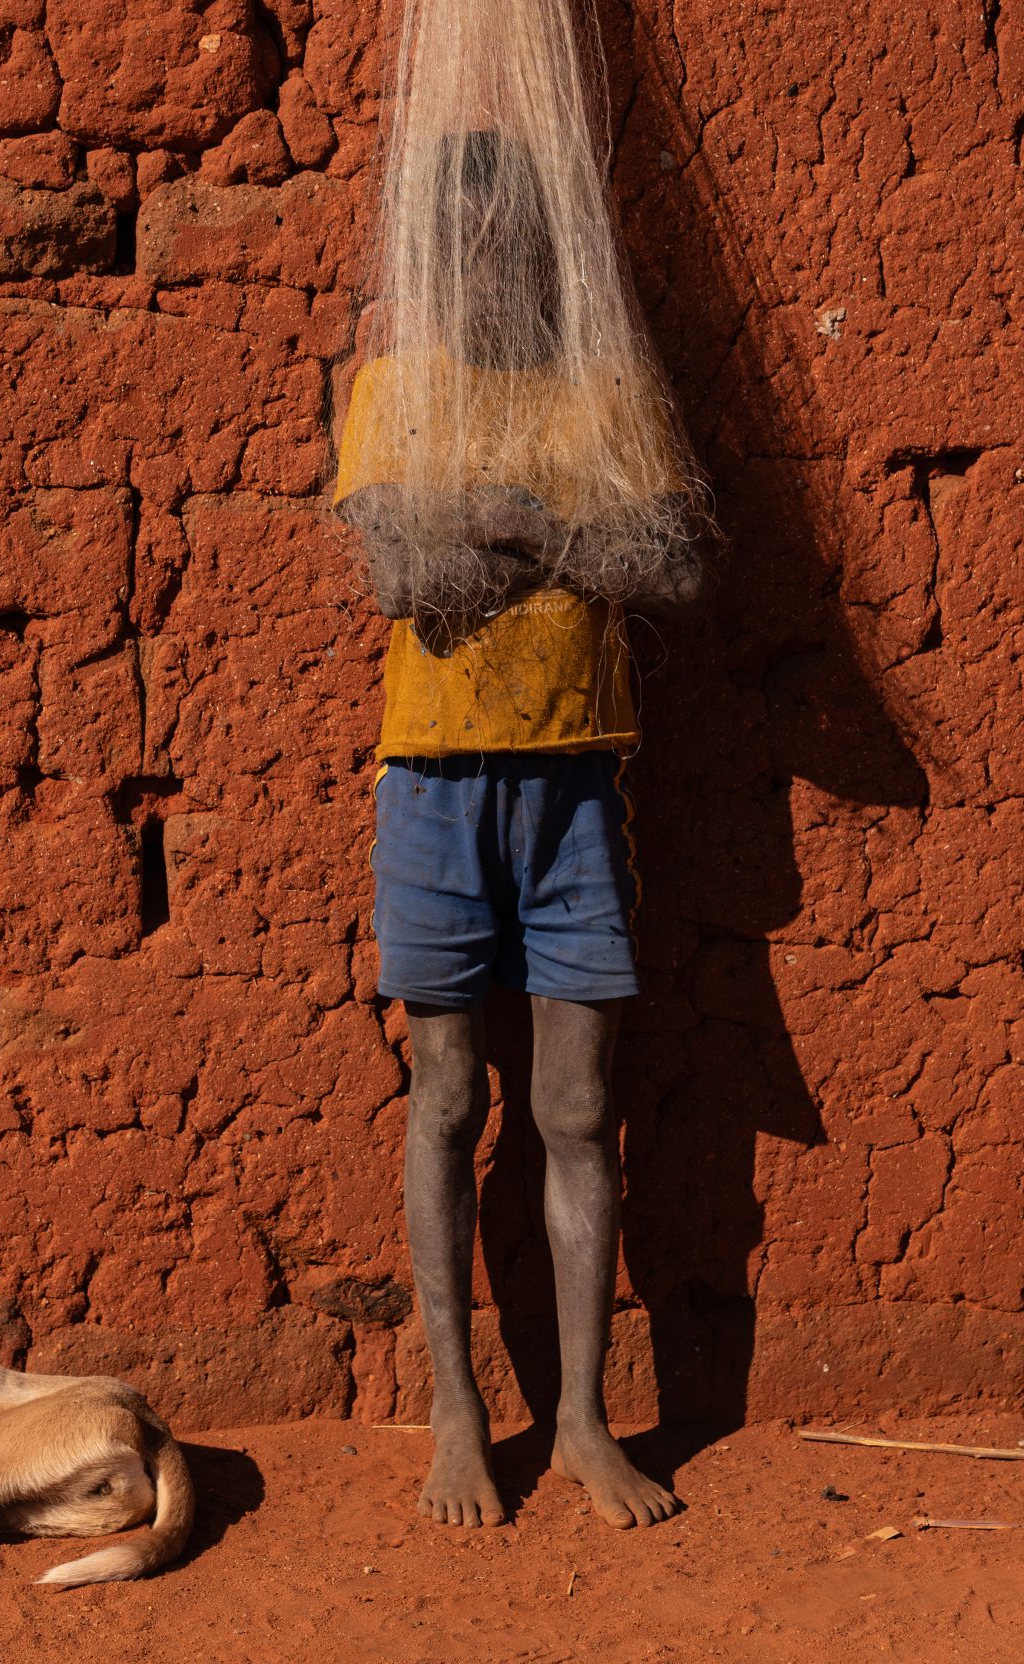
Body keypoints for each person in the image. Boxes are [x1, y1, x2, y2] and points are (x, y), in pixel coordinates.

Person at [334, 130, 699, 1532]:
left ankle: (588, 1423)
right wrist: (564, 536)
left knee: (575, 1112)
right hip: (434, 779)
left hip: (572, 790)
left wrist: (513, 528)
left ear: (546, 254)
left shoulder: (604, 392)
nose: (490, 270)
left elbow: (666, 561)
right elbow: (398, 575)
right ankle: (453, 1412)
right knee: (445, 1098)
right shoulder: (398, 392)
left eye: (513, 245)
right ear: (439, 254)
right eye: (466, 245)